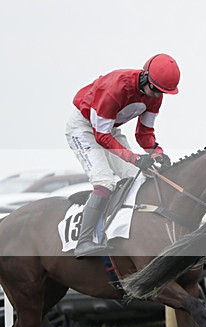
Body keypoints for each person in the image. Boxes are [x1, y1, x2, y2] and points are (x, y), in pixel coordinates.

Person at [66, 53, 180, 258]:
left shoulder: (156, 95)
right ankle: (83, 241)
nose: (156, 96)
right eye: (155, 89)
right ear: (145, 77)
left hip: (109, 130)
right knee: (105, 182)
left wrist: (157, 153)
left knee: (138, 178)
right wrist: (135, 158)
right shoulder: (116, 89)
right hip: (83, 129)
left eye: (162, 92)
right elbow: (101, 137)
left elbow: (144, 134)